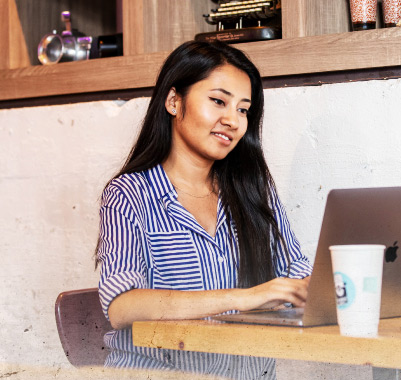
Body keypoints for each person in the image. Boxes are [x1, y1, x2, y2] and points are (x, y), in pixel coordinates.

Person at [95, 41, 312, 378]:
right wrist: (243, 298)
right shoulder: (129, 194)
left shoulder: (254, 189)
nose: (233, 120)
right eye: (218, 101)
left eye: (243, 109)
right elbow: (122, 306)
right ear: (173, 101)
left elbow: (297, 273)